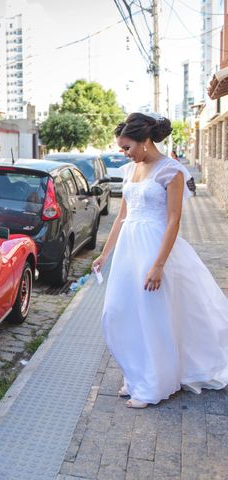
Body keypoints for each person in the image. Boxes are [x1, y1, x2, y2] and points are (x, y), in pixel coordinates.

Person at [92, 112, 228, 409]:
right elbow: (122, 217)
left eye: (126, 147)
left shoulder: (172, 170)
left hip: (155, 248)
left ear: (144, 142)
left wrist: (158, 265)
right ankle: (136, 373)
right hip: (128, 249)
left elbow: (174, 220)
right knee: (120, 312)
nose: (123, 153)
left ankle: (153, 383)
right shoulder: (130, 171)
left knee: (152, 316)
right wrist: (105, 253)